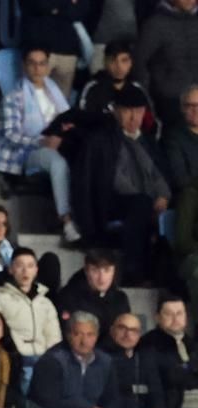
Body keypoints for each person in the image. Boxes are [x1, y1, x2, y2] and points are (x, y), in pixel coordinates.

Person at [72, 86, 171, 278]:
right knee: (141, 204)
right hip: (111, 203)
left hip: (145, 202)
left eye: (139, 112)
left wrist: (163, 196)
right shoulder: (100, 139)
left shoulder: (147, 141)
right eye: (128, 111)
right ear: (116, 110)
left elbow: (158, 173)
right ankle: (133, 269)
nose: (134, 118)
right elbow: (114, 181)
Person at [0, 46, 80, 246]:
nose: (37, 68)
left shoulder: (55, 93)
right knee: (56, 161)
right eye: (32, 63)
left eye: (42, 64)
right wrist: (41, 141)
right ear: (24, 66)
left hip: (58, 144)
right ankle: (66, 221)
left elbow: (68, 118)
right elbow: (10, 135)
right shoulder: (14, 97)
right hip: (27, 152)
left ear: (48, 67)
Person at [30, 311, 134, 408]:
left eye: (90, 335)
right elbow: (48, 402)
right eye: (78, 334)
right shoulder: (52, 360)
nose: (84, 341)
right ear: (68, 334)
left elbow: (114, 398)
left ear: (97, 336)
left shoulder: (105, 361)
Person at [0, 247, 61, 357]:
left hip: (43, 359)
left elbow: (53, 337)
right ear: (11, 269)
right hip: (11, 359)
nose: (25, 271)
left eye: (30, 266)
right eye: (19, 265)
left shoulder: (45, 303)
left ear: (36, 270)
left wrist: (51, 359)